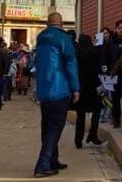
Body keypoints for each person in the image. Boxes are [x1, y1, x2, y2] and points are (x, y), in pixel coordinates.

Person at [33, 12, 80, 178]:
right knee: (55, 127)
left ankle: (53, 160)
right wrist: (75, 88)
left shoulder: (40, 39)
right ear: (61, 24)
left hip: (44, 90)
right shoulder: (64, 39)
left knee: (47, 125)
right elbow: (70, 64)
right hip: (59, 88)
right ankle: (43, 164)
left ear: (47, 23)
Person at [74, 34, 104, 148]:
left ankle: (78, 140)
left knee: (80, 116)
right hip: (92, 89)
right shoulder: (93, 54)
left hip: (81, 88)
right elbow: (96, 71)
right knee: (96, 111)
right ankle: (92, 135)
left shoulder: (77, 54)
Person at [107, 20, 122, 130]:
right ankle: (116, 119)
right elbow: (108, 56)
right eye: (119, 28)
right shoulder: (111, 41)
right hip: (114, 74)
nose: (121, 30)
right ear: (116, 29)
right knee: (115, 98)